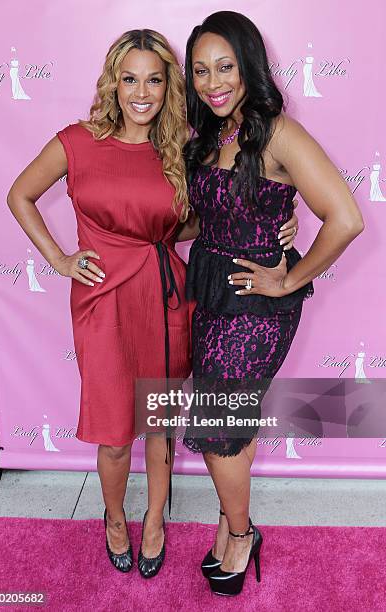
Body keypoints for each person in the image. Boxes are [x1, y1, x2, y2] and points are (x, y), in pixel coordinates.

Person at [6, 28, 298, 579]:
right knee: (116, 435)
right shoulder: (76, 141)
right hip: (101, 301)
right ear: (113, 83)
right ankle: (115, 520)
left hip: (165, 299)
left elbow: (209, 214)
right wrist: (60, 259)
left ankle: (156, 521)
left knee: (158, 425)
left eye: (155, 80)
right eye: (130, 78)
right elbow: (19, 194)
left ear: (168, 88)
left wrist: (276, 222)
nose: (142, 92)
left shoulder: (181, 151)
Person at [182, 11, 364, 596]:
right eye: (201, 71)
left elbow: (346, 218)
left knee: (218, 422)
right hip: (210, 290)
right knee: (225, 419)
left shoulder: (277, 132)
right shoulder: (210, 133)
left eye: (225, 67)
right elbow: (199, 220)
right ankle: (231, 517)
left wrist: (287, 280)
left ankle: (241, 534)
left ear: (249, 66)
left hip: (256, 304)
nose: (213, 82)